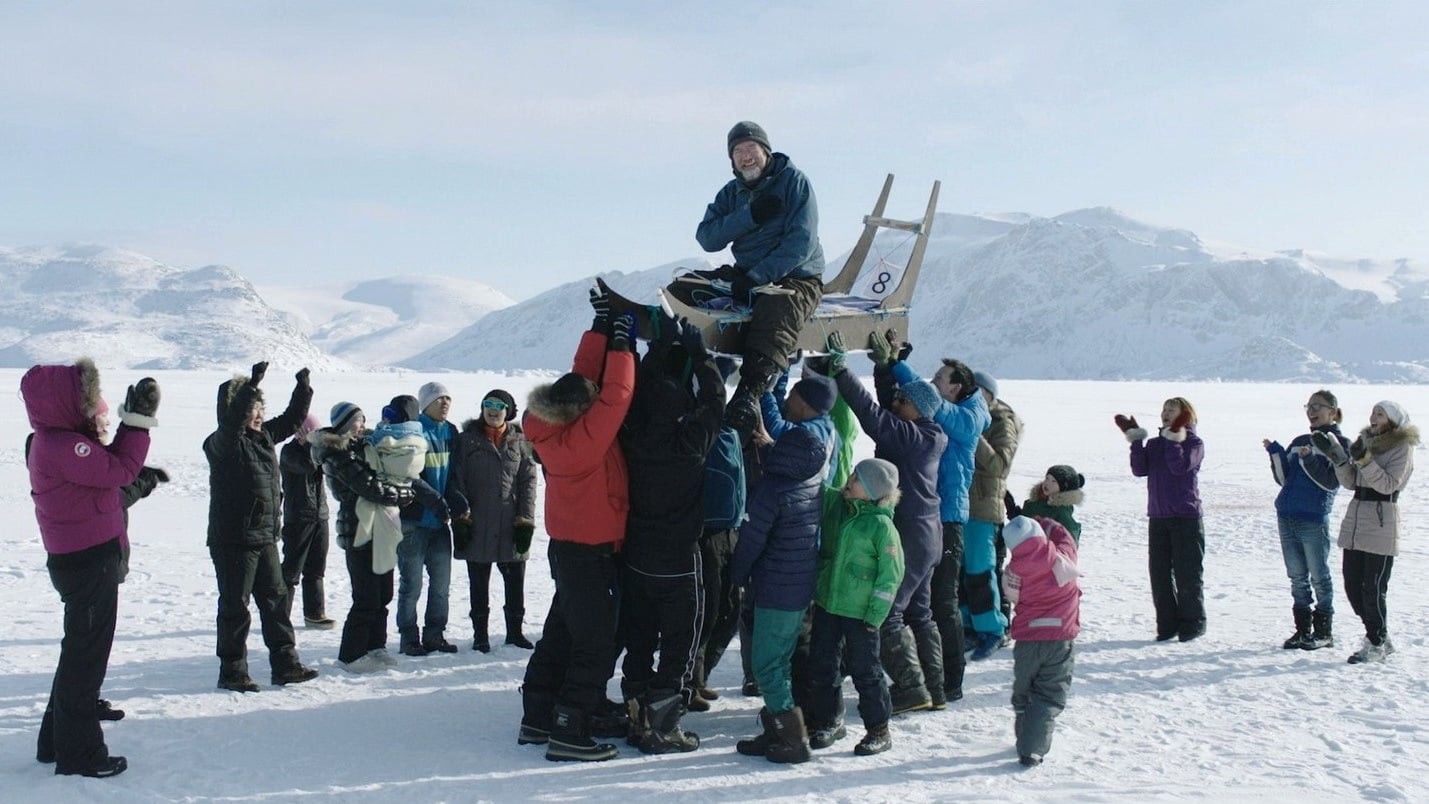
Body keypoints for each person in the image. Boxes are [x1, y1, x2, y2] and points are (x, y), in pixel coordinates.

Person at [23, 359, 158, 778]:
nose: (92, 409)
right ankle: (79, 755)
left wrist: (127, 426)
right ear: (65, 404)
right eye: (85, 401)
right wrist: (137, 425)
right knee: (85, 661)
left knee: (78, 655)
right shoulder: (64, 446)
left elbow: (109, 474)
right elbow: (120, 471)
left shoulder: (58, 441)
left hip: (82, 559)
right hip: (87, 563)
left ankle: (55, 742)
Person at [517, 295, 636, 762]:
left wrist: (600, 325)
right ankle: (569, 728)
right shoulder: (582, 442)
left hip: (570, 551)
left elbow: (580, 380)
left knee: (564, 632)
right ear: (577, 413)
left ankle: (538, 714)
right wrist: (622, 347)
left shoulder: (545, 421)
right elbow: (616, 397)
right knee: (595, 641)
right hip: (591, 553)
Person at [670, 120, 825, 435]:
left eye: (751, 148)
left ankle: (749, 392)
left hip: (794, 277)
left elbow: (801, 243)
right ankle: (671, 370)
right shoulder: (732, 192)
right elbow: (707, 238)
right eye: (738, 151)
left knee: (777, 310)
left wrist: (757, 277)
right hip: (746, 273)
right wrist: (749, 216)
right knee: (683, 289)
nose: (745, 156)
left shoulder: (795, 183)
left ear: (765, 150)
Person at [617, 315, 725, 754]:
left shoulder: (632, 436)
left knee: (640, 635)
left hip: (638, 556)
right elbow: (716, 398)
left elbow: (637, 395)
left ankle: (637, 712)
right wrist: (699, 353)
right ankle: (663, 726)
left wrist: (658, 350)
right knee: (680, 644)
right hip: (679, 561)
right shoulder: (689, 442)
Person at [825, 332, 947, 714]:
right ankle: (935, 690)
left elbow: (875, 419)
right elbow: (887, 410)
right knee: (920, 612)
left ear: (917, 408)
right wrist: (882, 367)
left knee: (890, 612)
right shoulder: (926, 433)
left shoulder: (914, 438)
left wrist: (842, 372)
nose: (896, 401)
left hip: (909, 534)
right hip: (928, 533)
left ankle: (911, 688)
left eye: (902, 399)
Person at [731, 374, 836, 765]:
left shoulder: (774, 488)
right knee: (783, 659)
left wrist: (736, 575)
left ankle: (791, 739)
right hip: (799, 582)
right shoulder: (809, 474)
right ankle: (774, 730)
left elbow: (753, 539)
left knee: (767, 665)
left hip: (776, 586)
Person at [204, 362, 319, 691]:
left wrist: (303, 388)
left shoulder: (264, 436)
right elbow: (230, 426)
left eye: (259, 408)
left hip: (265, 537)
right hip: (233, 541)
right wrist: (249, 388)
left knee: (275, 602)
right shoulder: (221, 443)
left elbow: (292, 419)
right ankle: (233, 671)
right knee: (235, 608)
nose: (256, 415)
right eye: (250, 409)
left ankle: (286, 665)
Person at [890, 348, 989, 702]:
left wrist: (902, 370)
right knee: (923, 602)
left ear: (956, 387)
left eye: (939, 381)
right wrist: (893, 367)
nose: (934, 385)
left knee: (943, 603)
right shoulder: (956, 408)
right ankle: (926, 675)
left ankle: (950, 680)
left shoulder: (971, 416)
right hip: (932, 517)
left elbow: (931, 404)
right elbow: (926, 399)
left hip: (948, 519)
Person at [806, 458, 905, 756]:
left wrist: (875, 616)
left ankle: (878, 729)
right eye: (852, 474)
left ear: (873, 491)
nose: (849, 480)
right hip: (828, 604)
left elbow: (891, 576)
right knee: (823, 664)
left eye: (857, 479)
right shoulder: (842, 506)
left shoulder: (882, 527)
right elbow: (817, 486)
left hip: (861, 615)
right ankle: (829, 720)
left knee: (866, 671)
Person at [310, 402, 417, 672]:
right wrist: (401, 494)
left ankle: (375, 646)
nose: (362, 425)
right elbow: (369, 487)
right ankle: (351, 654)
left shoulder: (364, 447)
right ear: (344, 424)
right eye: (356, 421)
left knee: (383, 594)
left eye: (362, 419)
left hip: (382, 530)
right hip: (359, 531)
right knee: (366, 596)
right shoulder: (337, 454)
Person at [1314, 401, 1417, 664]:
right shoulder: (1365, 442)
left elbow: (1387, 485)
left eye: (1379, 414)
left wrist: (1365, 460)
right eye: (1372, 412)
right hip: (1357, 520)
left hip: (1382, 524)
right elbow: (1350, 482)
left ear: (1393, 420)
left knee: (1373, 588)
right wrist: (1339, 459)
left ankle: (1377, 642)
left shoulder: (1401, 448)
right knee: (1352, 585)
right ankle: (1379, 635)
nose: (1373, 417)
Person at [453, 389, 539, 653]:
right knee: (478, 584)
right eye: (488, 404)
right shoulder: (466, 440)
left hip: (509, 524)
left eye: (499, 405)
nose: (493, 410)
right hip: (477, 524)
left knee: (515, 582)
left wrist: (525, 520)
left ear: (508, 411)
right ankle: (481, 635)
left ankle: (515, 632)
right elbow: (457, 480)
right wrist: (461, 517)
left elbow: (528, 482)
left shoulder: (520, 441)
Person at [1263, 391, 1349, 650]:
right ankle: (1302, 630)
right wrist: (1276, 453)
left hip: (1313, 518)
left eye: (1317, 406)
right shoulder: (1300, 440)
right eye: (1308, 406)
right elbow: (1283, 479)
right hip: (1287, 515)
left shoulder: (1339, 443)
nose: (1311, 411)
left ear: (1332, 411)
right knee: (1297, 576)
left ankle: (1324, 632)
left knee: (1319, 576)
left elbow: (1330, 482)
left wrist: (1309, 458)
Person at [1116, 397, 1206, 643]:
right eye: (1164, 409)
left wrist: (1174, 439)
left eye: (1172, 410)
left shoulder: (1194, 443)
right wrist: (1136, 441)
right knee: (1159, 574)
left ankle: (1193, 622)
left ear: (1185, 414)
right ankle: (1167, 625)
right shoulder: (1155, 443)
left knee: (1188, 574)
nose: (1166, 413)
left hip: (1186, 516)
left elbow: (1179, 467)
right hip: (1158, 516)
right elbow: (1139, 469)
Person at [1001, 499, 1082, 768]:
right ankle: (1032, 749)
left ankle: (1023, 736)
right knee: (1048, 694)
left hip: (1026, 641)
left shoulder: (1012, 571)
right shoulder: (1061, 559)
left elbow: (1011, 596)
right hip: (1059, 640)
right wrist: (1046, 522)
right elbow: (1066, 537)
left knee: (1024, 692)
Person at [395, 381, 468, 656]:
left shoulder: (450, 432)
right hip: (414, 520)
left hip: (440, 522)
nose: (445, 403)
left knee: (441, 585)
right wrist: (435, 501)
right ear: (425, 404)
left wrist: (456, 499)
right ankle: (409, 637)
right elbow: (408, 475)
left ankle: (435, 634)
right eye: (439, 399)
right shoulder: (414, 431)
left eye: (448, 398)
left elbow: (452, 475)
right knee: (411, 584)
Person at [964, 370, 1022, 661]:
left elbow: (1000, 465)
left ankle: (994, 629)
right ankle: (969, 626)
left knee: (979, 570)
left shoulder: (1001, 422)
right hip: (961, 504)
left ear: (987, 394)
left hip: (984, 508)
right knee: (962, 571)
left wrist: (972, 432)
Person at [279, 414, 333, 629]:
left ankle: (315, 613)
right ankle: (280, 615)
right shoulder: (290, 452)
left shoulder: (316, 452)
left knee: (316, 569)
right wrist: (320, 451)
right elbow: (308, 466)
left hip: (321, 515)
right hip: (299, 517)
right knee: (292, 571)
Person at [1020, 465, 1085, 545]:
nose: (1047, 483)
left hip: (1045, 555)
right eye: (1047, 478)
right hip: (1024, 552)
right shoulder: (1032, 503)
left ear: (1064, 488)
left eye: (1053, 481)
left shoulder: (1061, 512)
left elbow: (1069, 541)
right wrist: (1015, 514)